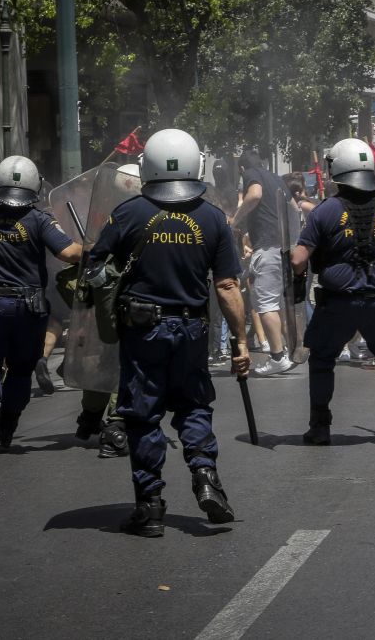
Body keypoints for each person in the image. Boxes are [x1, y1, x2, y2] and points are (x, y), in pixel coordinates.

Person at [87, 128, 249, 537]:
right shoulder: (213, 217)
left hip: (142, 331)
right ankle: (206, 477)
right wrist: (242, 343)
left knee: (143, 416)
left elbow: (94, 268)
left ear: (147, 166)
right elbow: (227, 286)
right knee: (193, 406)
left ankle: (150, 507)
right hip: (193, 329)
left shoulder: (127, 213)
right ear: (196, 165)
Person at [292, 138, 375, 447]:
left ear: (336, 168)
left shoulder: (324, 211)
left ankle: (320, 426)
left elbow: (298, 259)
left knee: (323, 359)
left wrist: (298, 279)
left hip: (338, 302)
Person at [0, 156, 82, 447]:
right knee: (20, 368)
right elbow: (68, 254)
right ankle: (6, 427)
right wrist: (96, 246)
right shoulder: (40, 220)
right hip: (27, 307)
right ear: (35, 186)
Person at [231, 150, 292, 376]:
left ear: (242, 169)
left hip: (268, 247)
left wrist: (235, 219)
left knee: (265, 303)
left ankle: (277, 357)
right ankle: (289, 350)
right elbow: (293, 209)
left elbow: (254, 195)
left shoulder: (251, 175)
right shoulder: (277, 178)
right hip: (286, 247)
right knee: (281, 304)